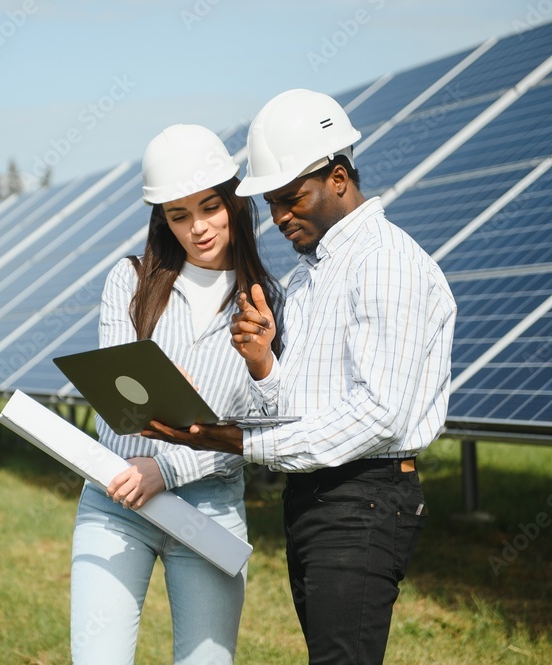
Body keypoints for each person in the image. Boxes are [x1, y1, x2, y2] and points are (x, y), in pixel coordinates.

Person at [143, 89, 458, 664]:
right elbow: (300, 408)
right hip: (315, 496)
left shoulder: (383, 262)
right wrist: (263, 362)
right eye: (272, 203)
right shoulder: (312, 278)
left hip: (365, 498)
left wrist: (242, 441)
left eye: (293, 198)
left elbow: (379, 414)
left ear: (338, 178)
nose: (280, 217)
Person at [70, 123, 284, 665]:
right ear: (161, 219)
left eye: (210, 207)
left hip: (209, 509)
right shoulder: (131, 281)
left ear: (235, 201)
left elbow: (264, 424)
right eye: (178, 215)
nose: (198, 228)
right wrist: (154, 439)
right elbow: (109, 406)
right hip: (116, 498)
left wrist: (168, 470)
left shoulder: (269, 302)